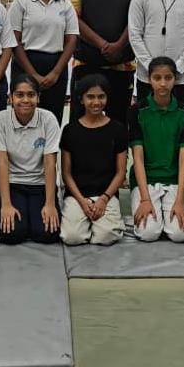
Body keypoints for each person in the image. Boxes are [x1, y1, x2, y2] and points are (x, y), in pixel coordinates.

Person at [69, 0, 142, 123]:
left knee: (119, 119)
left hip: (123, 64)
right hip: (87, 63)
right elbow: (75, 19)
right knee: (82, 120)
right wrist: (102, 44)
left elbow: (137, 17)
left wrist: (119, 45)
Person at [127, 56, 184, 243]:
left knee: (179, 234)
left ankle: (169, 213)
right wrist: (145, 199)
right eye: (157, 78)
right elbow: (138, 158)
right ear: (149, 79)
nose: (163, 83)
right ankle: (157, 216)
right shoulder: (137, 111)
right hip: (146, 181)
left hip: (174, 181)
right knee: (148, 234)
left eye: (168, 78)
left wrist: (180, 201)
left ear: (175, 79)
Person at [0, 74, 62, 244]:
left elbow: (50, 163)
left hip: (39, 184)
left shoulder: (48, 119)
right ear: (10, 98)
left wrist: (50, 204)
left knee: (47, 234)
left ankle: (33, 217)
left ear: (38, 98)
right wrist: (6, 205)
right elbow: (2, 163)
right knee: (12, 234)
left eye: (31, 95)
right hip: (13, 183)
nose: (25, 100)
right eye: (19, 95)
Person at [59, 74, 129, 245]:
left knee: (106, 237)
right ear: (81, 99)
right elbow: (66, 173)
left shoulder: (118, 129)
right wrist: (82, 202)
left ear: (107, 98)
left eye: (101, 97)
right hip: (77, 195)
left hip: (106, 194)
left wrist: (104, 198)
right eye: (90, 97)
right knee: (72, 237)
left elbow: (121, 172)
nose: (96, 102)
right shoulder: (70, 130)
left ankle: (104, 222)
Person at [10, 0, 79, 124]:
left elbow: (71, 39)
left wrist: (56, 72)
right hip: (25, 64)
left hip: (56, 66)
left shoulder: (65, 4)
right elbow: (14, 41)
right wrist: (32, 74)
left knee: (52, 118)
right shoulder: (21, 3)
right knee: (24, 117)